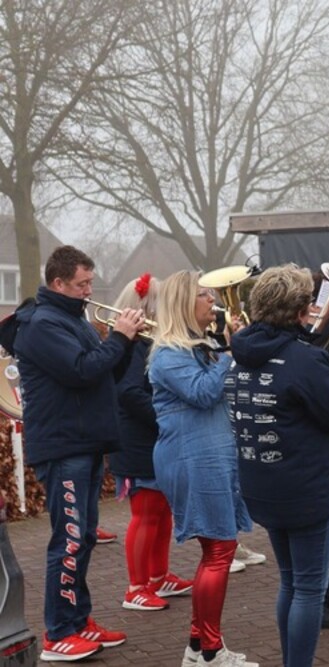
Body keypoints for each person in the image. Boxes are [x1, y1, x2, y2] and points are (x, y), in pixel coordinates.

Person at [229, 264, 329, 667]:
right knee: (310, 588)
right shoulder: (304, 360)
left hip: (262, 483)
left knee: (291, 583)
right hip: (306, 488)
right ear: (298, 311)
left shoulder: (240, 351)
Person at [14, 245, 141, 662]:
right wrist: (118, 336)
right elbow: (81, 370)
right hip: (63, 446)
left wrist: (125, 344)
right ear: (58, 283)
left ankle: (79, 620)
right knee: (68, 540)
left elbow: (104, 372)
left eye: (90, 282)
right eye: (82, 284)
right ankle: (58, 632)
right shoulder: (42, 324)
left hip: (84, 442)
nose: (89, 291)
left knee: (83, 538)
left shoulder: (74, 319)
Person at [148, 270, 257, 667]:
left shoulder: (198, 348)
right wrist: (228, 353)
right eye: (203, 295)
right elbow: (202, 392)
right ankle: (210, 651)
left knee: (217, 548)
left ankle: (198, 647)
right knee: (220, 548)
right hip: (192, 456)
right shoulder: (168, 354)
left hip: (208, 453)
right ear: (182, 303)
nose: (213, 300)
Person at [108, 274, 194, 612]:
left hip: (151, 440)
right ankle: (136, 587)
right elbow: (129, 393)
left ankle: (158, 576)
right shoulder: (133, 345)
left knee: (161, 512)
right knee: (145, 514)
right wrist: (165, 416)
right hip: (137, 442)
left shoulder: (146, 342)